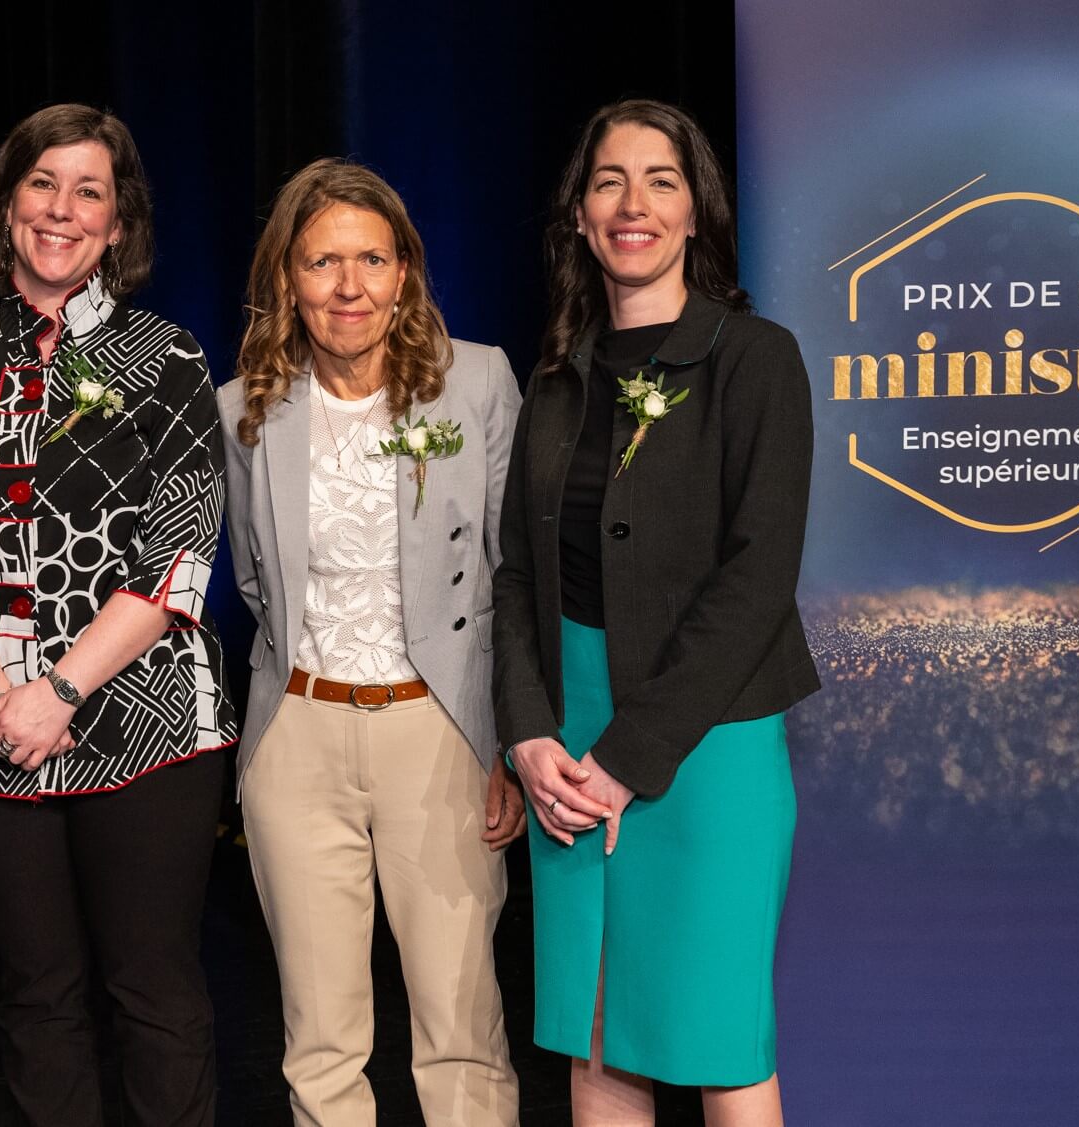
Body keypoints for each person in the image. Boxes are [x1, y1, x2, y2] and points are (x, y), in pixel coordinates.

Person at [491, 98, 821, 1125]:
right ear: (580, 216)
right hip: (566, 744)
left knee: (719, 1042)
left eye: (660, 181)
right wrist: (528, 733)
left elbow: (758, 576)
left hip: (706, 738)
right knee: (597, 1042)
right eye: (608, 182)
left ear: (695, 213)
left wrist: (629, 756)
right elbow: (512, 574)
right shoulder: (554, 375)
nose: (632, 204)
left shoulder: (754, 358)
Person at [0, 103, 237, 1126]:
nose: (61, 208)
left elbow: (178, 560)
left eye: (87, 190)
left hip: (142, 721)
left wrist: (57, 690)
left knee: (154, 988)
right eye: (42, 183)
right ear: (7, 203)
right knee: (34, 995)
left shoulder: (169, 358)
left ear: (117, 220)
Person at [217, 158, 528, 1126]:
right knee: (319, 1039)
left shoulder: (476, 379)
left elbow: (511, 576)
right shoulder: (245, 408)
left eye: (371, 259)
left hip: (437, 731)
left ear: (405, 271)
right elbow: (257, 582)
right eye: (321, 263)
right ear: (286, 280)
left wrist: (504, 742)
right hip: (298, 735)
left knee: (460, 1029)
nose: (348, 287)